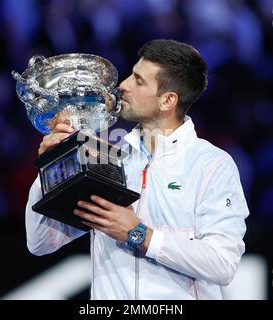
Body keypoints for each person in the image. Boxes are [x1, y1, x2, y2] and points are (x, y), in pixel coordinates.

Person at [26, 39, 249, 299]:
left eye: (138, 81)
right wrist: (54, 163)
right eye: (131, 74)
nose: (123, 86)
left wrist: (139, 234)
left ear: (167, 100)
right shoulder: (105, 158)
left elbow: (222, 263)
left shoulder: (211, 165)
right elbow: (41, 243)